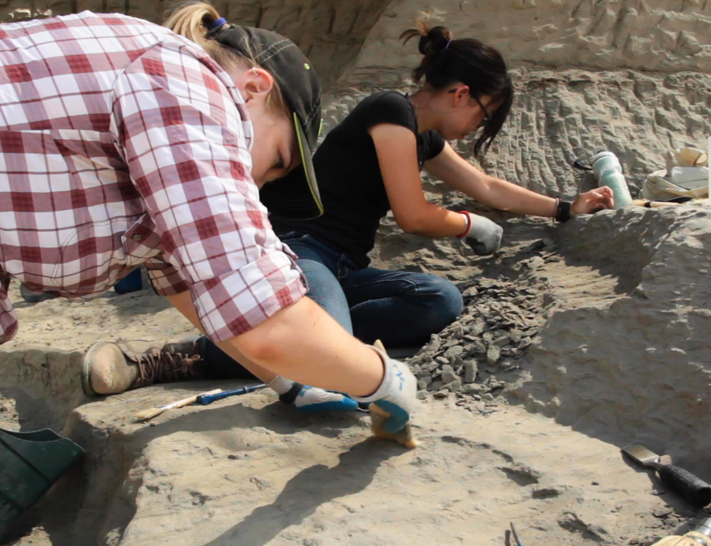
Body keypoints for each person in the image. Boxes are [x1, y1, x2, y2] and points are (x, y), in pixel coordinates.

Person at [104, 20, 612, 391]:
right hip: (301, 250)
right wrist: (466, 225)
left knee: (440, 300)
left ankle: (320, 330)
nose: (478, 126)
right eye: (484, 114)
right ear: (461, 94)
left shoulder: (424, 138)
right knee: (328, 365)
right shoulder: (389, 111)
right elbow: (414, 215)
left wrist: (566, 208)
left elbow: (485, 185)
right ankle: (189, 358)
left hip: (343, 265)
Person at [0, 4, 416, 433]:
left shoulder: (151, 130)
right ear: (252, 88)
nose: (257, 185)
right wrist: (385, 379)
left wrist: (287, 383)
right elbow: (261, 316)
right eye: (276, 162)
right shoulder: (187, 83)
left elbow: (194, 289)